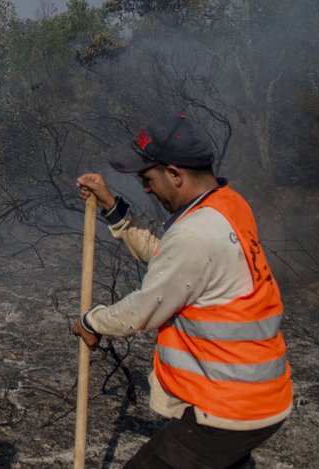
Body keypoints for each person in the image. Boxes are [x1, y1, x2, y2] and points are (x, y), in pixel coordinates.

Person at [73, 114, 291, 468]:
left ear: (175, 175)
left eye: (147, 179)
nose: (146, 188)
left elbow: (142, 309)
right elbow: (171, 259)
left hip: (227, 410)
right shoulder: (228, 204)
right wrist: (112, 208)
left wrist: (91, 321)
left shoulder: (195, 234)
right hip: (263, 400)